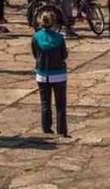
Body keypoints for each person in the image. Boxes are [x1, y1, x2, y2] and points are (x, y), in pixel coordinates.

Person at [32, 9, 69, 137]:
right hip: (58, 74)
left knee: (45, 103)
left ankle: (46, 127)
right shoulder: (59, 38)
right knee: (60, 105)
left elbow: (35, 54)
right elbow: (64, 55)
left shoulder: (36, 37)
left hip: (42, 74)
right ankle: (62, 130)